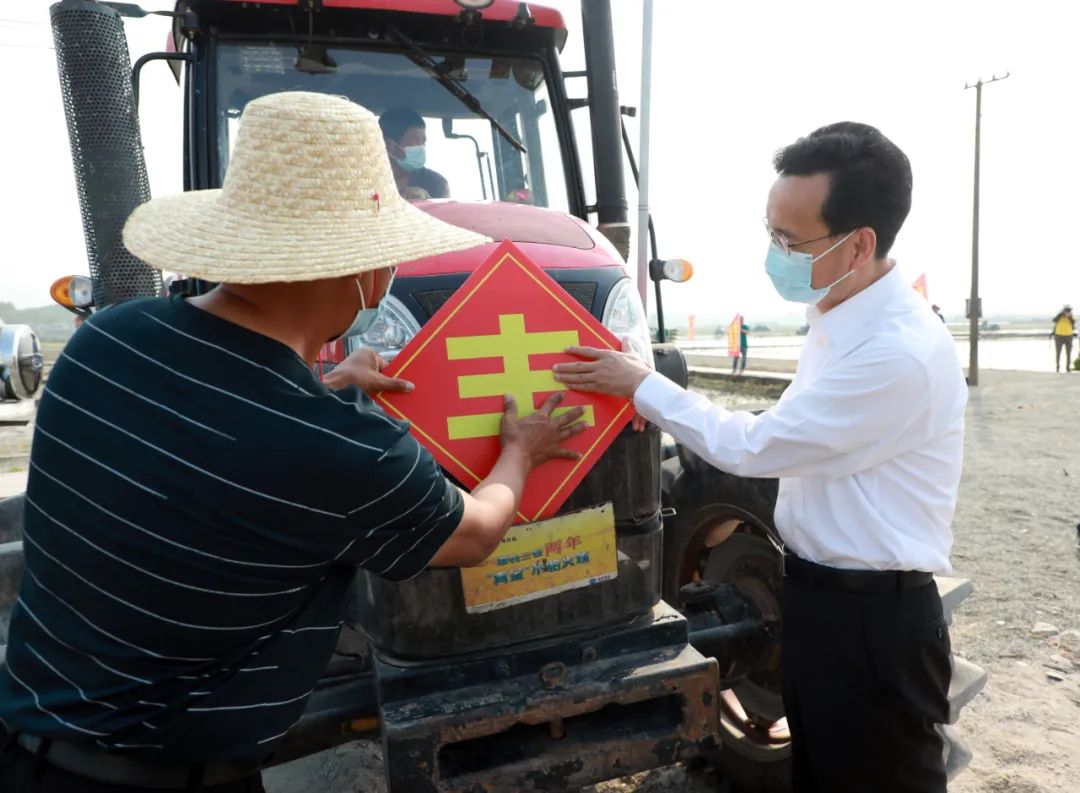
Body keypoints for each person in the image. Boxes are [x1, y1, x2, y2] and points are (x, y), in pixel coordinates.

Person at [0, 92, 586, 792]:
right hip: (162, 776)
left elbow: (222, 434)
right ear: (362, 270)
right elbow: (479, 531)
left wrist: (324, 384)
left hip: (24, 746)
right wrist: (520, 449)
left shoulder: (105, 341)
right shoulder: (345, 451)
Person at [554, 122, 967, 793]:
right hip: (816, 600)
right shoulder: (839, 314)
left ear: (859, 244)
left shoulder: (897, 353)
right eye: (771, 233)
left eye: (791, 242)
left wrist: (641, 385)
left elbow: (756, 446)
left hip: (871, 623)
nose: (777, 254)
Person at [378, 107, 450, 200]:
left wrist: (427, 202)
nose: (421, 147)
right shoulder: (368, 180)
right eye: (416, 141)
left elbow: (444, 208)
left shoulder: (435, 182)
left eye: (423, 142)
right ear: (389, 146)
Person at [1052, 304, 1075, 373]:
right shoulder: (1059, 315)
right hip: (1058, 335)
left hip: (1069, 335)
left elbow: (1073, 322)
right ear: (1063, 310)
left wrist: (1069, 316)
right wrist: (1061, 314)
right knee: (1058, 352)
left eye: (1069, 310)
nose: (1068, 311)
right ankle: (1057, 366)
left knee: (1068, 352)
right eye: (1066, 310)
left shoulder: (1071, 316)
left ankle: (1068, 367)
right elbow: (1054, 320)